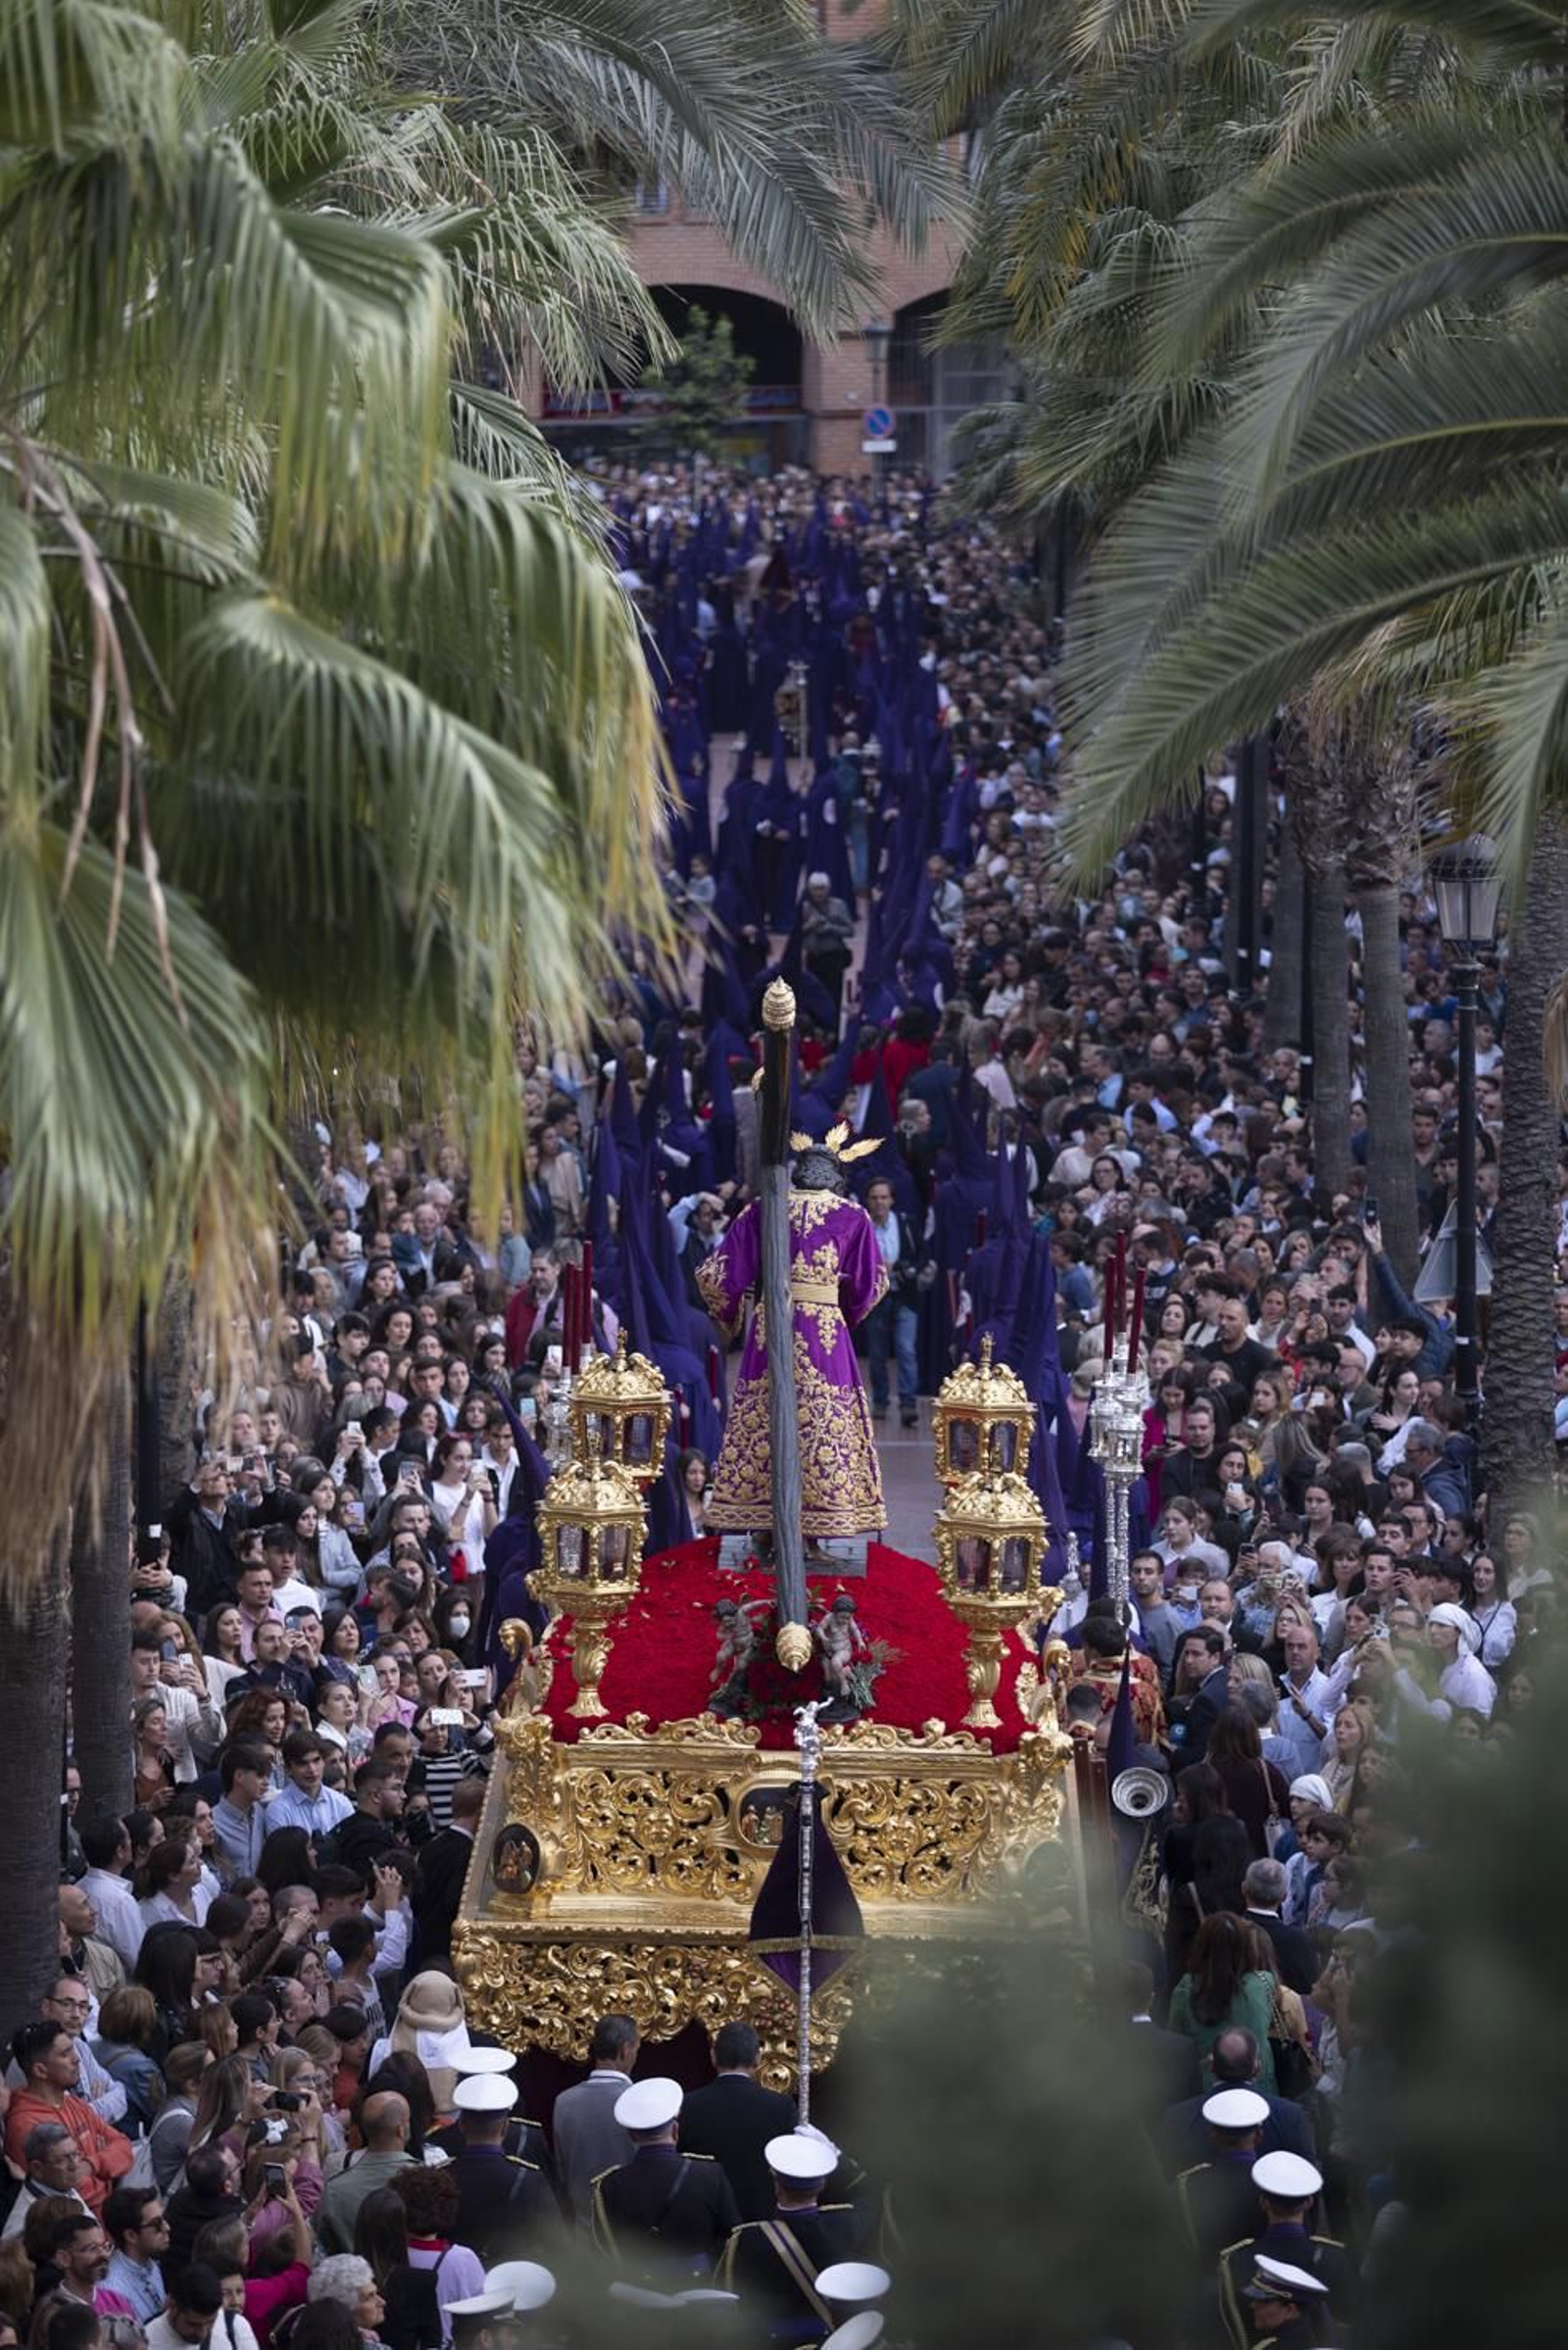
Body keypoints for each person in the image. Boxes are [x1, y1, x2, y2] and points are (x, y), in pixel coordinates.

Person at [589, 2079, 738, 2281]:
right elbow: (732, 2238)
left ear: (631, 2136)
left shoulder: (610, 2185)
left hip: (638, 2292)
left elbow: (604, 2248)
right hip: (701, 2287)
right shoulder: (710, 2174)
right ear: (676, 2130)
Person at [712, 2130, 858, 2325]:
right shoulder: (847, 2225)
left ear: (775, 2180)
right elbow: (874, 2194)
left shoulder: (747, 2240)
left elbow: (731, 2306)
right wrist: (837, 2157)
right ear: (822, 2183)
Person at [5, 2028, 133, 2218]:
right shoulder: (26, 2124)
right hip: (77, 2227)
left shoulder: (73, 2103)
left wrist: (91, 2165)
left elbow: (125, 2149)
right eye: (65, 2054)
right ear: (41, 2070)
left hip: (106, 2217)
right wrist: (105, 2162)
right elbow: (75, 2190)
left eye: (73, 2050)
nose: (77, 2059)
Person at [674, 2025, 797, 2224]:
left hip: (707, 2223)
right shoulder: (781, 2106)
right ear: (757, 2057)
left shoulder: (687, 2105)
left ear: (713, 2056)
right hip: (763, 2226)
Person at [439, 2078, 555, 2268]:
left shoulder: (439, 2178)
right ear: (505, 2127)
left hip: (456, 2282)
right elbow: (554, 2243)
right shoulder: (531, 2180)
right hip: (515, 2282)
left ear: (461, 2126)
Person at [1167, 1915, 1281, 2094]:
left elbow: (1175, 2039)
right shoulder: (1263, 1983)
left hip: (1207, 2089)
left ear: (1201, 1946)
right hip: (1258, 2087)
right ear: (1245, 1948)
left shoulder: (1186, 1989)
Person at [549, 2016, 639, 2228]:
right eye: (637, 2048)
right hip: (634, 2237)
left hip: (583, 2233)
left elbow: (561, 2172)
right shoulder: (640, 2100)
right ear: (625, 2050)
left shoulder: (563, 2102)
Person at [316, 2095, 416, 2255]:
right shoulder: (424, 2180)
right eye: (408, 2120)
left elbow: (322, 2243)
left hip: (353, 2276)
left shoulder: (334, 2190)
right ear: (400, 2130)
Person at [98, 2192, 168, 2326]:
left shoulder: (149, 2263)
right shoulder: (112, 2291)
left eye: (164, 2219)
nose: (167, 2228)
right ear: (131, 2236)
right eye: (157, 2224)